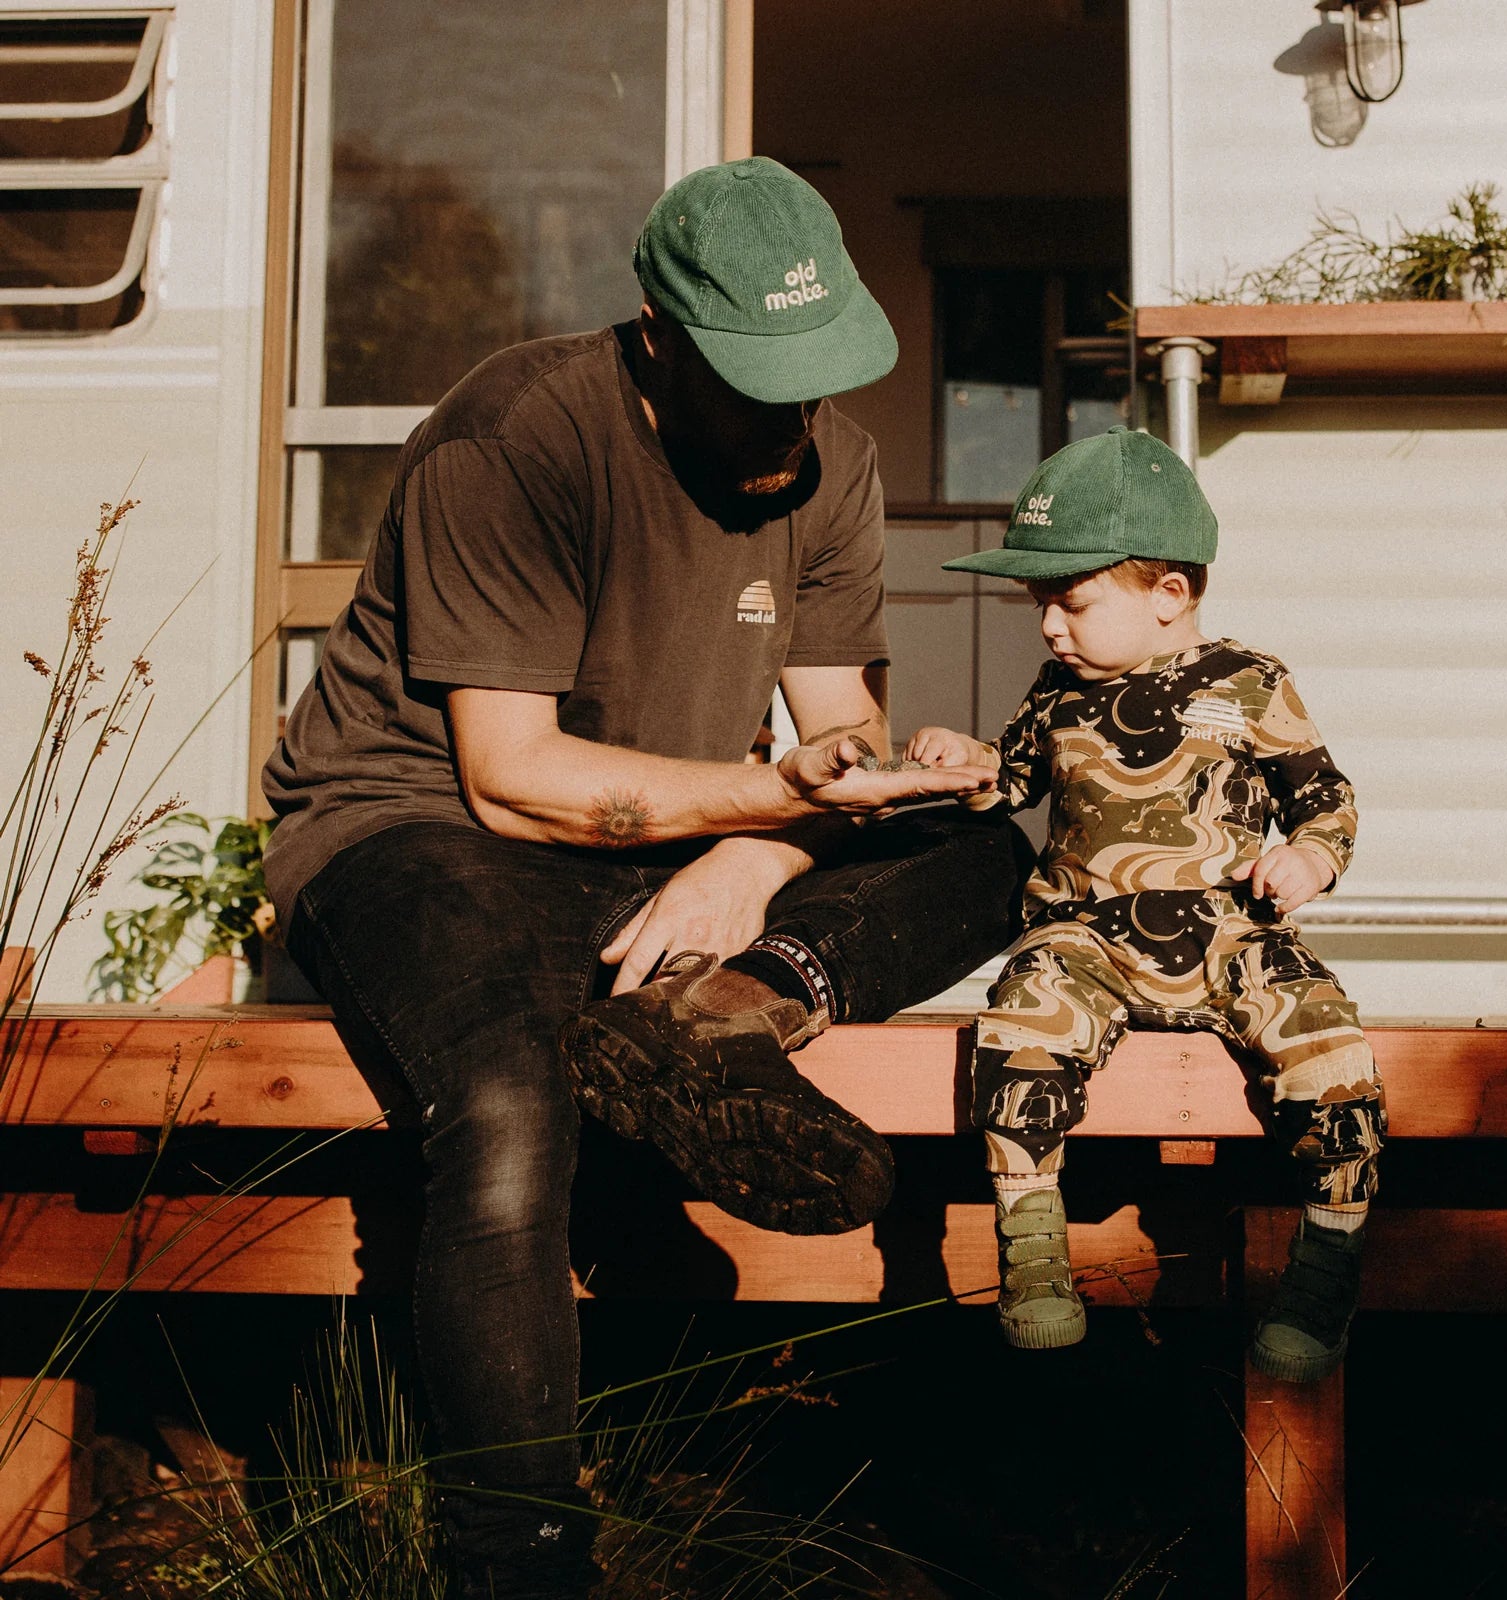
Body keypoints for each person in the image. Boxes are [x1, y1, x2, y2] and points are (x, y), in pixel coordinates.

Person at [262, 155, 1031, 1600]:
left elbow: (836, 732)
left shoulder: (836, 469)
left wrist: (768, 846)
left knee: (984, 849)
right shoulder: (517, 436)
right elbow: (512, 778)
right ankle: (522, 1560)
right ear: (657, 337)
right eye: (756, 380)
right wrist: (768, 805)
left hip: (662, 848)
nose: (791, 419)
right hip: (417, 830)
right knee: (503, 1096)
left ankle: (721, 1013)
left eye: (815, 377)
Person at [905, 427, 1386, 1381]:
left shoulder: (1250, 683)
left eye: (1072, 602)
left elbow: (1326, 796)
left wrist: (1310, 860)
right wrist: (964, 766)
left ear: (1170, 596)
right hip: (1085, 933)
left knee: (1331, 1043)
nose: (1049, 626)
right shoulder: (1057, 692)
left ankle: (1327, 1267)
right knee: (1019, 1022)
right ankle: (1034, 1249)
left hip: (1228, 931)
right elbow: (1010, 782)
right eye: (1041, 604)